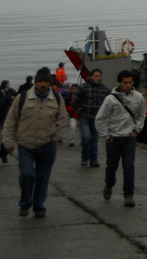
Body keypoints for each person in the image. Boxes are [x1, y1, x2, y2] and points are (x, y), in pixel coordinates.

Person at [2, 67, 68, 218]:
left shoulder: (57, 98)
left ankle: (39, 206)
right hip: (26, 145)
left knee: (43, 178)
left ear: (50, 83)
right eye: (40, 81)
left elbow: (62, 119)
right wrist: (8, 142)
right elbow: (10, 121)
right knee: (27, 174)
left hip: (47, 145)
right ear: (36, 82)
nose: (43, 84)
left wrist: (56, 137)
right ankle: (25, 203)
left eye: (46, 81)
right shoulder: (23, 98)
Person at [95, 69, 147, 208]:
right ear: (119, 83)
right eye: (125, 83)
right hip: (114, 138)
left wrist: (136, 131)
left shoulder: (138, 97)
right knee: (112, 167)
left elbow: (142, 115)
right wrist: (107, 136)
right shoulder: (110, 99)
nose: (128, 85)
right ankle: (109, 184)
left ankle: (128, 195)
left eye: (130, 82)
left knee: (129, 166)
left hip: (129, 138)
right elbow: (100, 119)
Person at [72, 69, 110, 167]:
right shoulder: (84, 87)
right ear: (91, 76)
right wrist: (80, 112)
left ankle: (94, 160)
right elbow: (75, 101)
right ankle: (85, 158)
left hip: (97, 118)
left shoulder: (104, 89)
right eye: (96, 76)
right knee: (86, 137)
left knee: (95, 139)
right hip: (85, 116)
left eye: (99, 76)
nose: (98, 78)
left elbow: (110, 102)